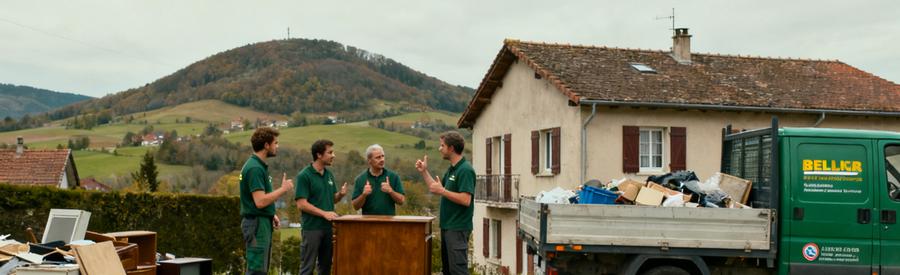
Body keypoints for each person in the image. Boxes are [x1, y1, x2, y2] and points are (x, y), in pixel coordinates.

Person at [415, 131, 475, 275]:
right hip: (448, 227)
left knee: (458, 272)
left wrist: (442, 191)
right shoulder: (452, 170)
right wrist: (424, 171)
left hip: (458, 228)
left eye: (442, 145)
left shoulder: (465, 170)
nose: (439, 149)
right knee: (448, 271)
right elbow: (436, 188)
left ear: (451, 148)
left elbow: (466, 200)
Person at [240, 127, 294, 275]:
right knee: (256, 270)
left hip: (261, 221)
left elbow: (259, 201)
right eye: (275, 143)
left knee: (261, 269)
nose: (277, 146)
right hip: (256, 224)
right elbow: (260, 201)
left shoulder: (258, 166)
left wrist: (271, 214)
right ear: (266, 145)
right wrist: (283, 189)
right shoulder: (255, 168)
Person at [295, 139, 349, 275]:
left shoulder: (329, 174)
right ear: (319, 155)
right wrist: (324, 213)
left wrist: (341, 195)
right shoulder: (304, 175)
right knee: (307, 268)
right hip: (312, 228)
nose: (333, 155)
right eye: (330, 152)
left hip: (328, 228)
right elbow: (301, 204)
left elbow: (332, 200)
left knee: (325, 268)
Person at [351, 144, 405, 215]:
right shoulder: (360, 179)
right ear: (369, 160)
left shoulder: (394, 176)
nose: (382, 159)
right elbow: (355, 206)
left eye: (383, 156)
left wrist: (391, 191)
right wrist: (363, 195)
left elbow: (401, 201)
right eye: (378, 157)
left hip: (389, 223)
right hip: (368, 223)